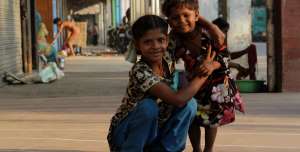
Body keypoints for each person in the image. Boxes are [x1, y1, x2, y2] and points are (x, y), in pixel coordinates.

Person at [107, 15, 218, 152]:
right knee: (149, 107)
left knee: (190, 104)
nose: (155, 47)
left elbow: (185, 26)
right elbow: (178, 99)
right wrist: (205, 72)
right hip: (124, 137)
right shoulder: (140, 72)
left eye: (160, 40)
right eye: (147, 42)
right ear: (137, 45)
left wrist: (213, 28)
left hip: (155, 132)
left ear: (167, 41)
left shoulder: (167, 59)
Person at [162, 0, 234, 152]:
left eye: (186, 15)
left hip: (218, 84)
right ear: (169, 21)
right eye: (175, 18)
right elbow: (167, 62)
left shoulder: (209, 33)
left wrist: (212, 65)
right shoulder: (173, 40)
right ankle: (196, 149)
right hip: (194, 82)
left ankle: (208, 149)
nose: (181, 21)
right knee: (192, 117)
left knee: (212, 120)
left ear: (196, 15)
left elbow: (226, 56)